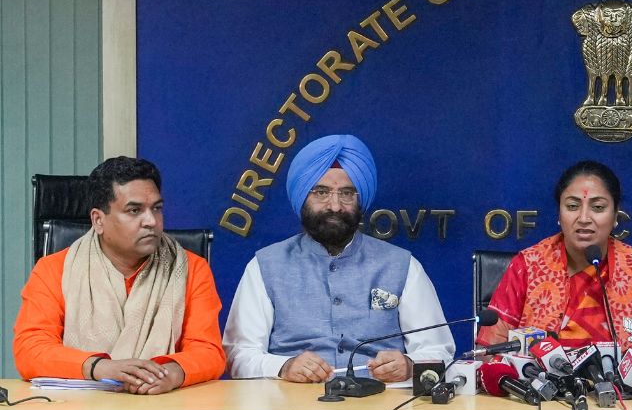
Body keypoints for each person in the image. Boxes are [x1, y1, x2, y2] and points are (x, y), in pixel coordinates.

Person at [223, 134, 454, 383]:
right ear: (302, 197)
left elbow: (439, 352)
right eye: (321, 192)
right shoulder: (265, 266)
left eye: (346, 193)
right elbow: (238, 356)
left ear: (360, 200)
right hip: (291, 401)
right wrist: (284, 367)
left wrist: (409, 365)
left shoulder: (403, 265)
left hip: (382, 400)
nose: (335, 206)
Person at [13, 157, 225, 393]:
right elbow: (30, 349)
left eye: (157, 208)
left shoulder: (191, 269)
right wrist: (100, 368)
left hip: (161, 403)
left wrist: (171, 374)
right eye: (134, 210)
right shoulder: (54, 270)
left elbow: (208, 351)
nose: (151, 221)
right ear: (98, 220)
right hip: (79, 408)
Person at [476, 160, 632, 351]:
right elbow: (489, 353)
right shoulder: (527, 267)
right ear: (559, 214)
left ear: (615, 215)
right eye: (572, 206)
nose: (584, 218)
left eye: (598, 207)